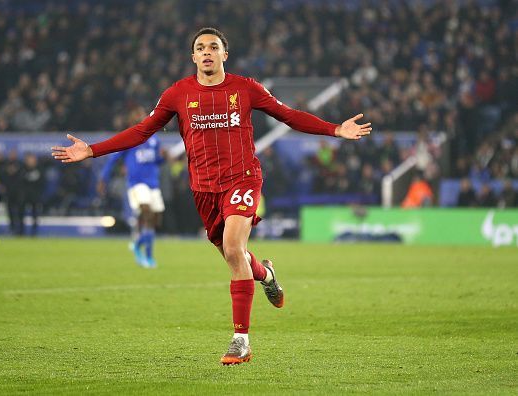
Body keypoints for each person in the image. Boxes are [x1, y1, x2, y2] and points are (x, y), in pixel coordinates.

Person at [52, 27, 372, 365]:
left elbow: (288, 115)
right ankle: (267, 275)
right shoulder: (177, 94)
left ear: (224, 55)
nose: (207, 52)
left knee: (234, 249)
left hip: (243, 179)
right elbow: (141, 131)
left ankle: (241, 341)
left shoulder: (245, 88)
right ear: (193, 57)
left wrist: (334, 129)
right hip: (204, 188)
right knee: (237, 258)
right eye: (200, 48)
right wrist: (93, 150)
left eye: (213, 47)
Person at [97, 106, 166, 268]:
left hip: (153, 184)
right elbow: (112, 160)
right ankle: (146, 254)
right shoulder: (129, 138)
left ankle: (140, 248)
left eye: (142, 113)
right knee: (147, 212)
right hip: (136, 183)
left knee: (155, 220)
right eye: (137, 114)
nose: (141, 116)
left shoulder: (154, 139)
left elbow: (157, 161)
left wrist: (164, 158)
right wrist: (103, 179)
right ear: (131, 119)